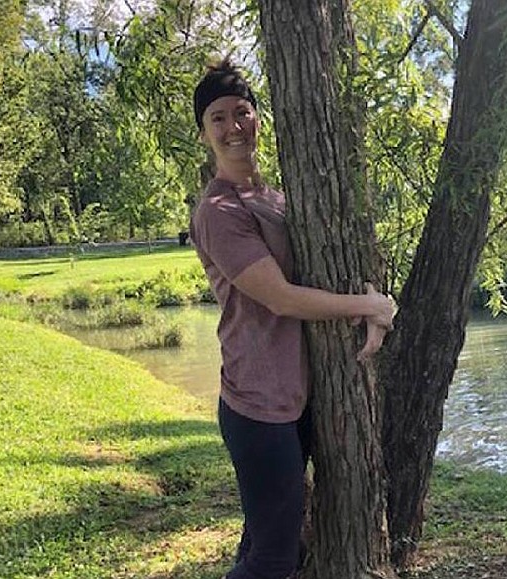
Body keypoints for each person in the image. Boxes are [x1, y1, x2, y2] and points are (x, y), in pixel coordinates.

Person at [189, 58, 395, 579]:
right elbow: (280, 298)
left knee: (265, 536)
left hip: (297, 397)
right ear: (203, 133)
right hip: (257, 406)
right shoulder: (219, 210)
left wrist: (364, 298)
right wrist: (370, 306)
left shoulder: (276, 198)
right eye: (218, 117)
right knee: (277, 556)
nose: (233, 127)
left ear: (258, 118)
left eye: (242, 112)